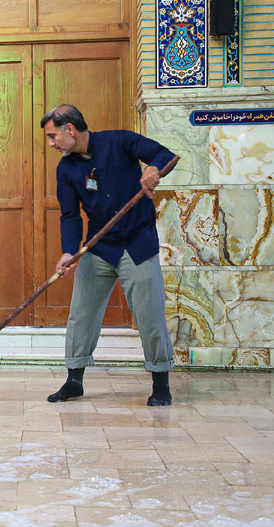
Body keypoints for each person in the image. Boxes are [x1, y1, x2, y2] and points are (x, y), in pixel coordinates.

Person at [40, 104, 175, 407]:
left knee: (150, 315)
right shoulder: (66, 169)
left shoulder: (119, 141)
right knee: (81, 314)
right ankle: (74, 380)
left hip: (138, 244)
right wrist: (69, 251)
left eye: (52, 136)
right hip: (100, 247)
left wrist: (153, 169)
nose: (51, 144)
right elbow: (70, 215)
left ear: (69, 129)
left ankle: (161, 383)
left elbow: (164, 154)